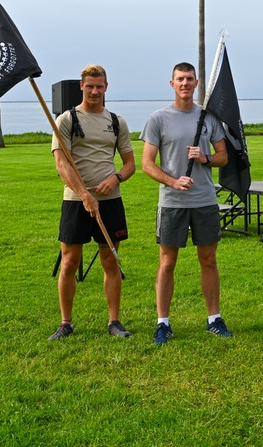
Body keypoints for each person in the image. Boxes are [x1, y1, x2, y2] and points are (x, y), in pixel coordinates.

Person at [141, 62, 233, 345]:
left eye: (189, 79)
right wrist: (173, 182)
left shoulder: (208, 119)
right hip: (172, 202)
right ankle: (163, 323)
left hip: (204, 200)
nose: (185, 83)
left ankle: (214, 319)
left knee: (209, 259)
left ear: (196, 84)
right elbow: (147, 164)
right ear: (172, 84)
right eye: (180, 79)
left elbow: (223, 157)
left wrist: (205, 157)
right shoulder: (158, 119)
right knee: (167, 262)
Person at [48, 64, 136, 341]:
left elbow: (131, 163)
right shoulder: (66, 120)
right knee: (69, 262)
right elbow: (61, 164)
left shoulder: (116, 121)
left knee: (110, 261)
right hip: (76, 201)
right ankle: (66, 323)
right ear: (81, 87)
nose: (95, 91)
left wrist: (116, 178)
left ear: (106, 87)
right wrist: (84, 194)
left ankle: (114, 321)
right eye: (90, 86)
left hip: (110, 201)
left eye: (100, 86)